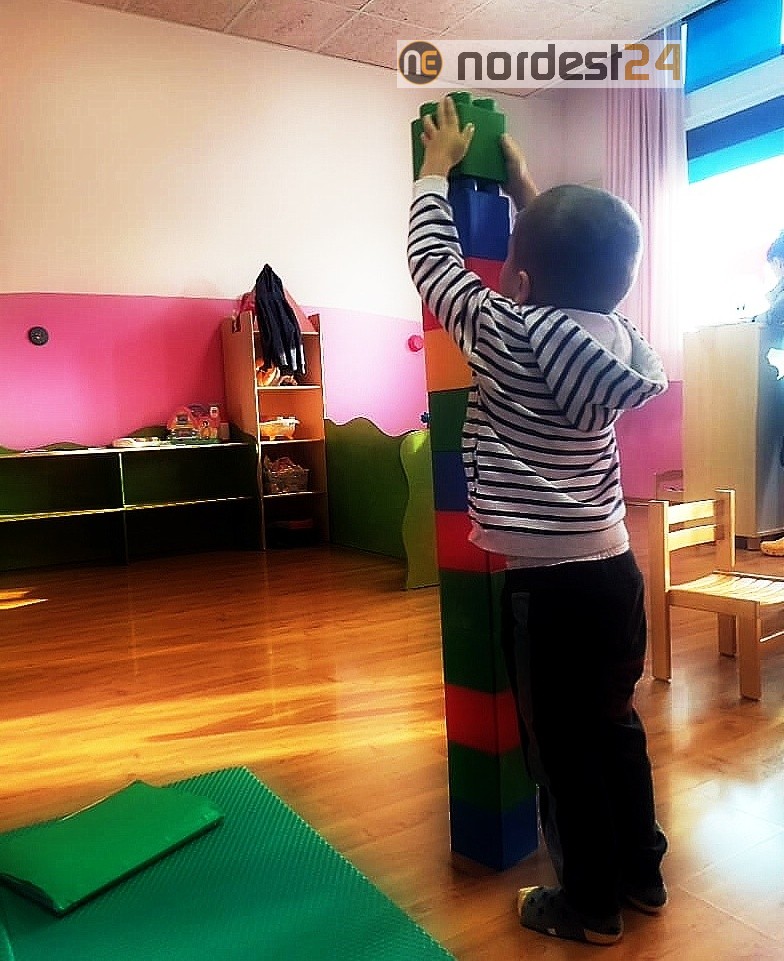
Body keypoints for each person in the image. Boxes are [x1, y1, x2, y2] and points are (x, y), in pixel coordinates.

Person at [408, 95, 669, 946]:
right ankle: (641, 872)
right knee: (615, 725)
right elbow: (578, 268)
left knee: (560, 755)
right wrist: (531, 193)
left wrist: (433, 174)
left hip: (546, 590)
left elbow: (435, 266)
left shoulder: (503, 330)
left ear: (518, 281)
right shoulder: (621, 341)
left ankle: (589, 903)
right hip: (615, 570)